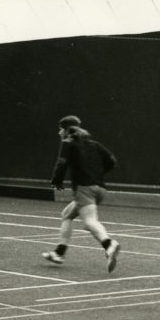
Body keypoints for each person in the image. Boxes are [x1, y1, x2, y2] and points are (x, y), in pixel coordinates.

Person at [44, 115, 121, 272]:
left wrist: (56, 181)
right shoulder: (94, 144)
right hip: (100, 189)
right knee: (66, 214)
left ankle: (109, 244)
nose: (59, 132)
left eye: (61, 129)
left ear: (67, 130)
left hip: (84, 189)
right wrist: (98, 174)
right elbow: (112, 160)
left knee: (90, 222)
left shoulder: (67, 143)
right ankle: (59, 253)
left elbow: (62, 163)